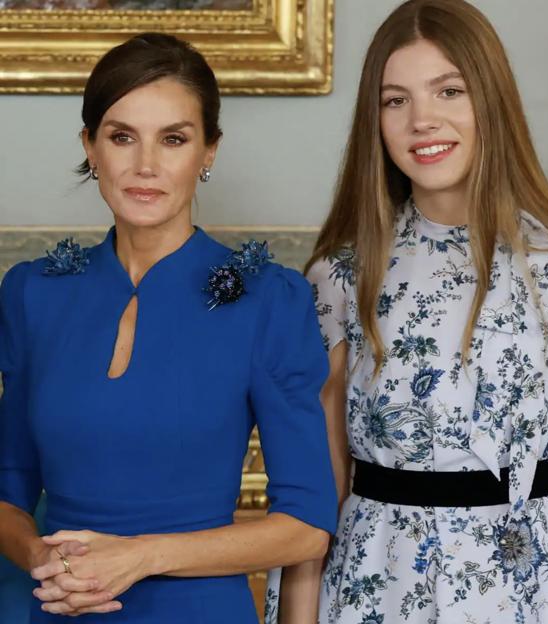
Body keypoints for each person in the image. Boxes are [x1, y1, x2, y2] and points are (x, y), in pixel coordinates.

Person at [265, 1, 548, 623]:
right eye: (394, 100)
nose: (421, 121)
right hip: (378, 585)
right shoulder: (341, 277)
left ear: (491, 101)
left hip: (541, 591)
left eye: (449, 90)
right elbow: (316, 489)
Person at [0, 32, 337, 623]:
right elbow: (9, 487)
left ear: (209, 152)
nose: (146, 166)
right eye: (121, 136)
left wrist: (137, 558)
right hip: (56, 605)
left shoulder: (267, 301)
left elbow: (306, 527)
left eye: (174, 139)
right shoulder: (34, 294)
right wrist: (41, 558)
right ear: (90, 145)